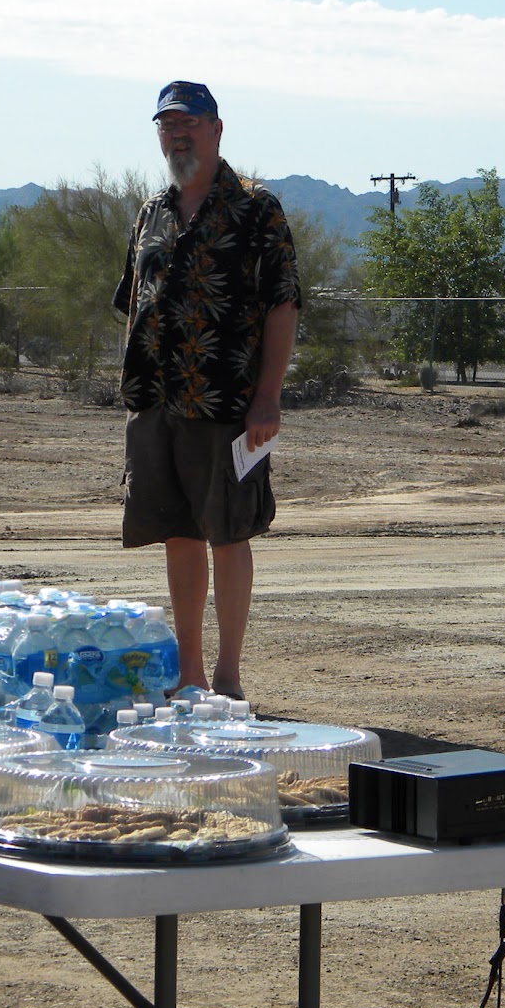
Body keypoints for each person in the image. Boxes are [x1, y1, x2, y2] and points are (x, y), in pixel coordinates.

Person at [113, 80, 300, 700]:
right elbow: (134, 303)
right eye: (167, 126)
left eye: (188, 124)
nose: (177, 135)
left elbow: (282, 304)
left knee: (228, 535)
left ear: (217, 129)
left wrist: (268, 396)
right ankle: (189, 673)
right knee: (178, 532)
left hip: (227, 404)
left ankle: (228, 678)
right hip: (158, 403)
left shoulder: (255, 209)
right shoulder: (152, 214)